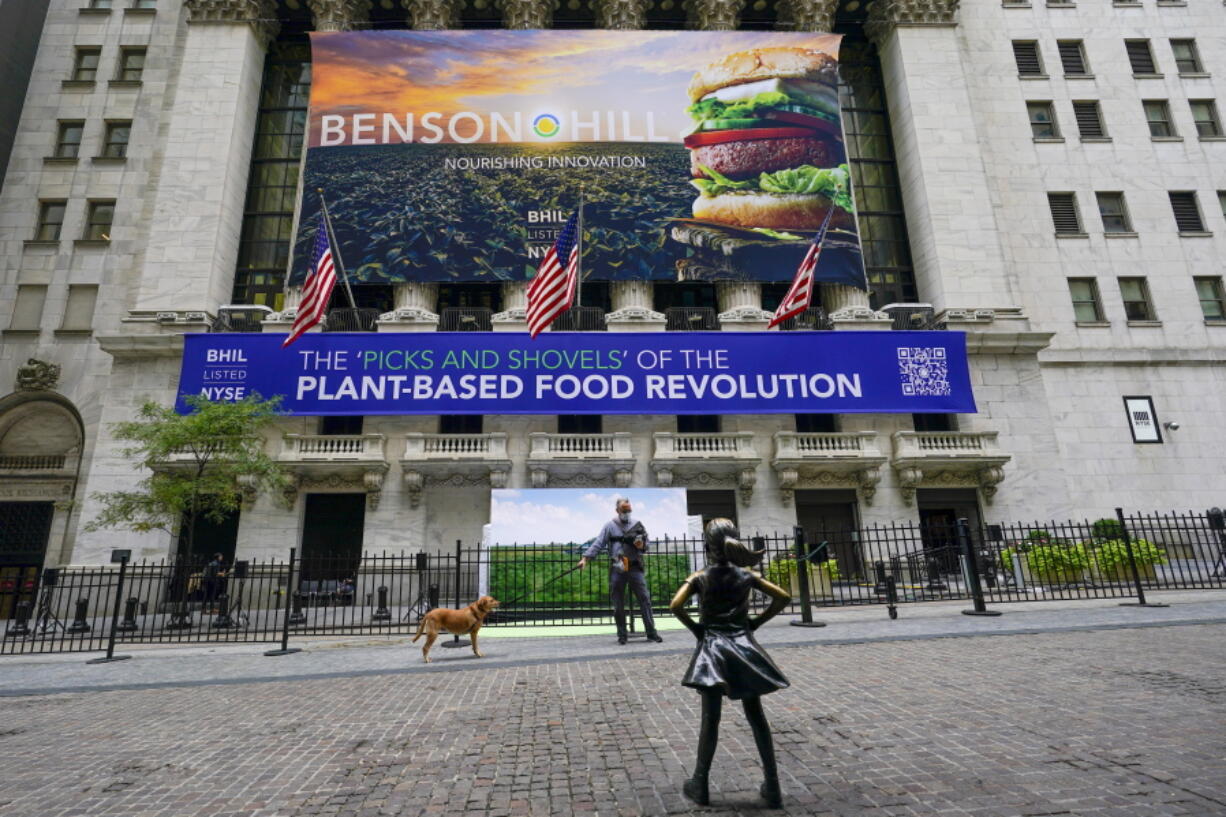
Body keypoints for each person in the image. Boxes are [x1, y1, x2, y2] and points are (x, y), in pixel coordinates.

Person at [669, 518, 792, 809]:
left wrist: (698, 630)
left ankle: (700, 783)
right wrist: (755, 623)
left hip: (713, 649)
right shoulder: (745, 575)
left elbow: (675, 606)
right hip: (743, 647)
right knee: (756, 716)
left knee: (710, 719)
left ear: (708, 546)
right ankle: (772, 785)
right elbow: (783, 597)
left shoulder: (700, 577)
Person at [577, 496, 663, 645]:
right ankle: (622, 635)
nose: (627, 512)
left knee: (645, 600)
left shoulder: (638, 524)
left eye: (629, 510)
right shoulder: (610, 525)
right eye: (624, 510)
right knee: (618, 603)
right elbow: (598, 543)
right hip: (617, 568)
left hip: (635, 567)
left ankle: (651, 633)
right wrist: (585, 558)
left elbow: (646, 546)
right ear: (617, 510)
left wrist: (641, 545)